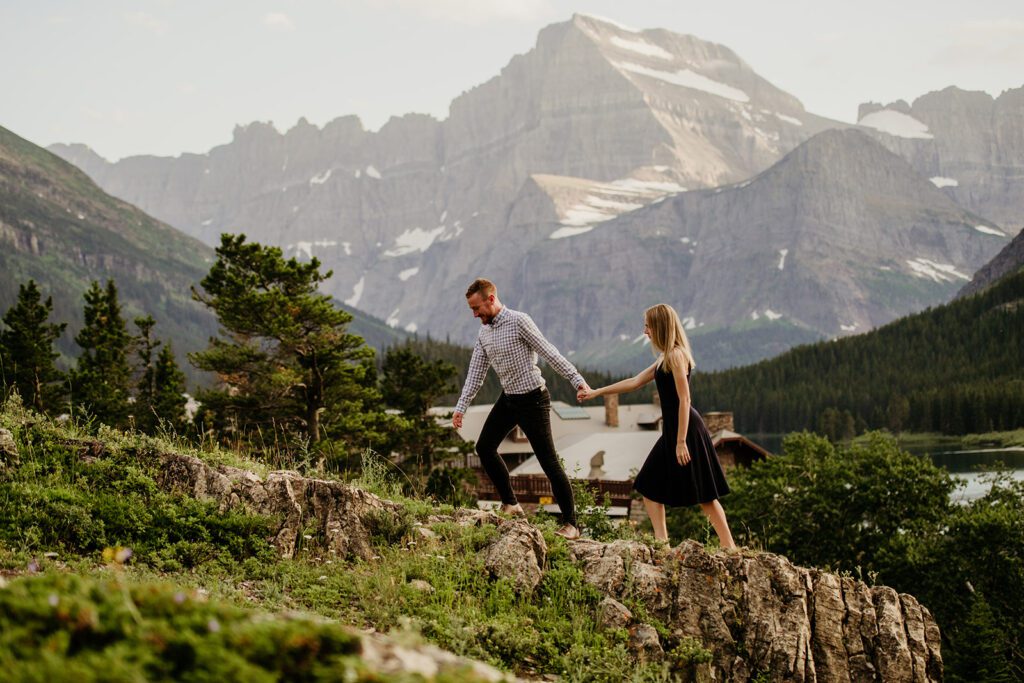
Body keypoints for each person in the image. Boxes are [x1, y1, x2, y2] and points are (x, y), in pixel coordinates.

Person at [578, 303, 735, 548]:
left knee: (705, 494)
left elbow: (685, 399)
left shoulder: (676, 355)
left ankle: (730, 548)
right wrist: (596, 392)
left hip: (686, 430)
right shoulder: (665, 357)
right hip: (673, 430)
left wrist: (681, 440)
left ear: (660, 326)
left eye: (648, 326)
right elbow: (635, 382)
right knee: (648, 486)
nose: (645, 331)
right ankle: (663, 544)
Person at [452, 278, 591, 540]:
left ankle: (571, 524)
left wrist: (577, 380)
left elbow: (549, 352)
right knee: (484, 447)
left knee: (548, 461)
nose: (474, 314)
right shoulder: (484, 333)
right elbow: (475, 373)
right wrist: (461, 407)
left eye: (477, 308)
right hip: (509, 400)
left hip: (533, 400)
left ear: (491, 299)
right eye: (471, 309)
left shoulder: (519, 321)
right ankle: (512, 505)